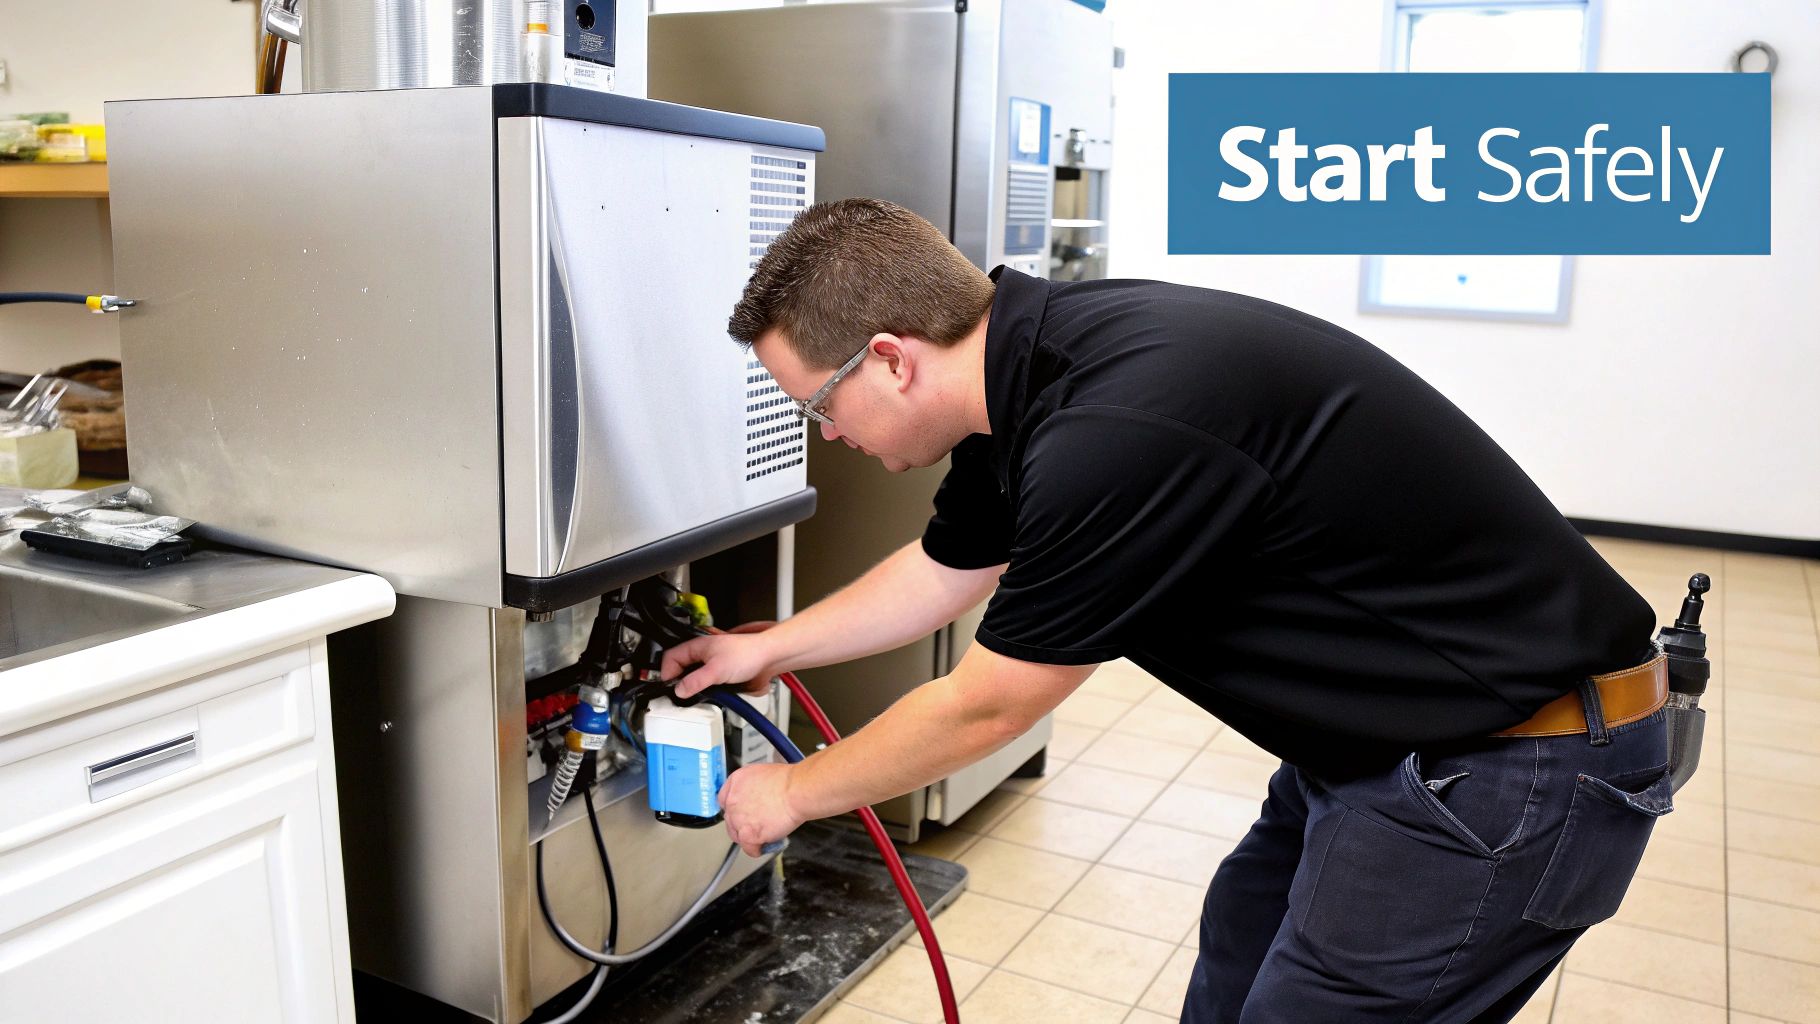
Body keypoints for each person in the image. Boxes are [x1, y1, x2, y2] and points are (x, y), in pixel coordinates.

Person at [661, 198, 1672, 1022]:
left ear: (890, 357)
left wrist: (792, 793)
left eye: (819, 404)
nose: (826, 434)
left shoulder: (1113, 428)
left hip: (1512, 765)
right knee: (1239, 947)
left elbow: (987, 707)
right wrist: (768, 648)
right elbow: (945, 569)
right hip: (1385, 743)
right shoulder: (1027, 378)